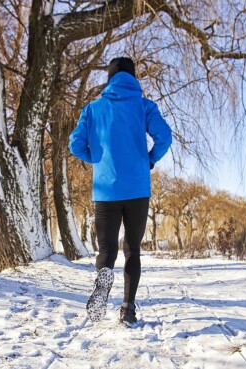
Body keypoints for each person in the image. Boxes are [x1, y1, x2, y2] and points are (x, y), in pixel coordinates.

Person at [68, 57, 172, 324]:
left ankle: (102, 286)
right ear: (133, 77)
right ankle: (127, 308)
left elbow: (75, 145)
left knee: (106, 248)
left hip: (105, 191)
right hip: (137, 189)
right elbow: (164, 136)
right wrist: (149, 159)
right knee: (132, 249)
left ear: (110, 78)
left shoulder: (93, 109)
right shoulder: (144, 106)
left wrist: (99, 161)